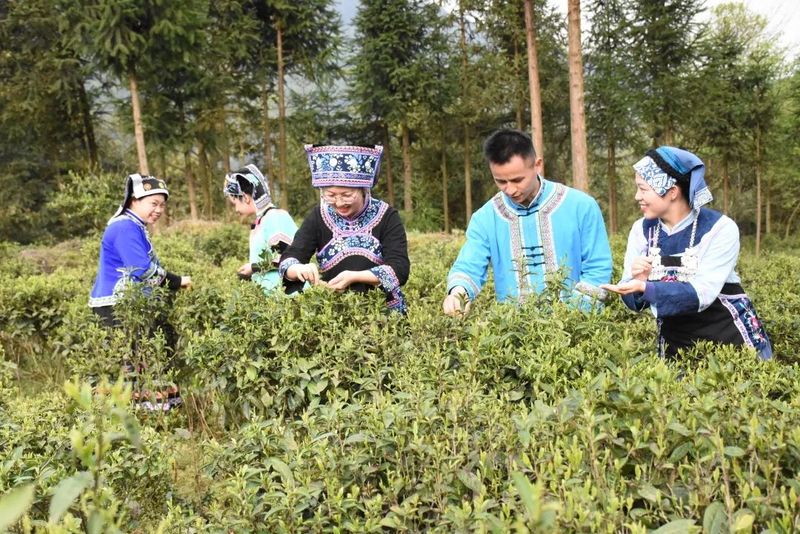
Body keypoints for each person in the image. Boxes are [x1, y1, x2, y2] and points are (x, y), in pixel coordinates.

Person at [601, 147, 771, 359]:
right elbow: (634, 300)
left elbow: (702, 294)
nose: (637, 197)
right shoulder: (641, 230)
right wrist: (637, 284)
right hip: (676, 347)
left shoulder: (719, 228)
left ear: (672, 192)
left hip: (732, 344)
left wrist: (647, 287)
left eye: (643, 189)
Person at [443, 128, 612, 315]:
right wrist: (458, 293)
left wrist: (571, 317)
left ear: (537, 165)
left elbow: (598, 267)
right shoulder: (485, 218)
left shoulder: (581, 206)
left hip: (576, 327)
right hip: (515, 332)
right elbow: (469, 263)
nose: (510, 190)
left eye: (517, 180)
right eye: (501, 181)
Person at [88, 173, 191, 410]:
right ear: (134, 200)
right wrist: (177, 281)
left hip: (127, 304)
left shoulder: (133, 225)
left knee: (137, 357)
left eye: (162, 205)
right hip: (118, 306)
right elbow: (142, 269)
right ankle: (138, 417)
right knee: (132, 359)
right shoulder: (125, 226)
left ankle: (142, 417)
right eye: (153, 203)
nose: (158, 210)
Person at [278, 144, 410, 313]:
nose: (339, 203)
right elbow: (291, 256)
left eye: (347, 195)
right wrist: (298, 269)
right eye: (331, 195)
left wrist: (355, 276)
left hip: (383, 315)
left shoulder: (387, 216)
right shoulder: (318, 216)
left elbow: (400, 268)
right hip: (335, 313)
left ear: (364, 189)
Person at [223, 164, 303, 294]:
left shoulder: (276, 217)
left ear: (246, 197)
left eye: (235, 203)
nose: (236, 209)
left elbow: (286, 259)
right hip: (273, 300)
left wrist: (253, 268)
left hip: (288, 298)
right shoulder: (263, 219)